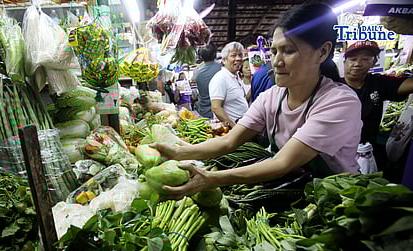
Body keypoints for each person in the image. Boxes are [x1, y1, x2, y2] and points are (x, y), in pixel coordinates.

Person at [150, 2, 362, 199]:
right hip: (296, 191)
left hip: (336, 201)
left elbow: (282, 162)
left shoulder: (339, 102)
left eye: (288, 51)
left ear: (322, 52)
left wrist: (212, 179)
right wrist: (179, 151)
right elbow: (229, 141)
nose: (277, 62)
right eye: (274, 51)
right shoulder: (272, 97)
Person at [341, 40, 413, 170]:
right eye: (352, 59)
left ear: (373, 63)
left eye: (365, 59)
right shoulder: (333, 86)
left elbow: (408, 85)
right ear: (344, 62)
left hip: (366, 153)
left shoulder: (378, 83)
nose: (357, 64)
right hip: (336, 153)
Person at [209, 42, 249, 127]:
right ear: (224, 60)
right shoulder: (220, 78)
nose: (238, 59)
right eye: (233, 55)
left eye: (240, 55)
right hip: (232, 129)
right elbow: (216, 108)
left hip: (242, 126)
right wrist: (234, 129)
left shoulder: (236, 76)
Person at [194, 43, 222, 118]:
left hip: (203, 111)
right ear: (215, 54)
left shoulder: (197, 71)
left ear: (201, 56)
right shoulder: (222, 68)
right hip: (220, 112)